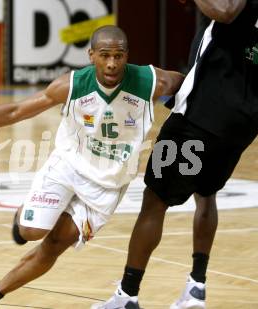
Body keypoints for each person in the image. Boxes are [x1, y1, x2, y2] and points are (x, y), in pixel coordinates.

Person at [0, 25, 185, 309]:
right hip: (67, 165)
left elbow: (192, 84)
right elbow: (16, 111)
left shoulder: (152, 81)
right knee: (31, 231)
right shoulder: (71, 85)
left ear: (127, 55)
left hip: (108, 183)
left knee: (57, 243)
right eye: (105, 55)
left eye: (119, 55)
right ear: (91, 55)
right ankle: (23, 218)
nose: (112, 63)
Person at [92, 1, 258, 309]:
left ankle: (127, 296)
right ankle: (196, 288)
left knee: (154, 200)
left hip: (201, 118)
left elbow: (227, 10)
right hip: (243, 121)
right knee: (206, 194)